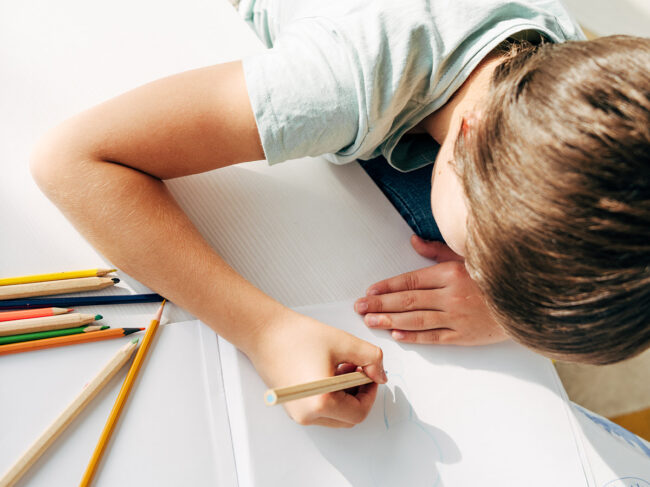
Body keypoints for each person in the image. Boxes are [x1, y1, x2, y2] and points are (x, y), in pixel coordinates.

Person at [29, 0, 650, 428]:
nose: (475, 276)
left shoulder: (588, 85)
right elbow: (74, 160)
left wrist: (508, 315)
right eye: (480, 258)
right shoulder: (344, 82)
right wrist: (264, 331)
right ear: (468, 134)